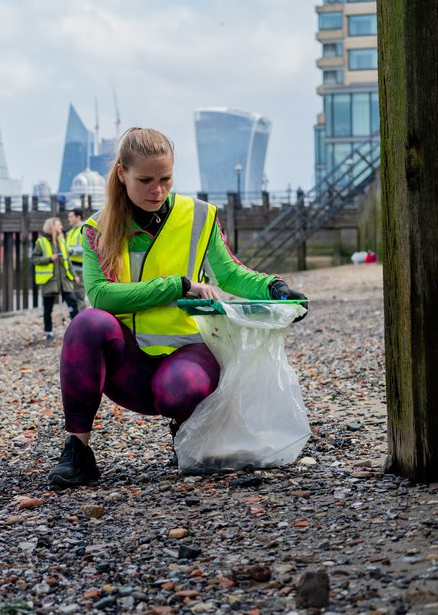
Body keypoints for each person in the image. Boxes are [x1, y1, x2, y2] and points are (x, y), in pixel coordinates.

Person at [47, 127, 308, 488]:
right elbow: (101, 295)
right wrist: (177, 286)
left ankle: (186, 430)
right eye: (145, 180)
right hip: (131, 368)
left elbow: (231, 274)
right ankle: (78, 451)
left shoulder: (198, 216)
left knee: (178, 390)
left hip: (189, 355)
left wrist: (275, 287)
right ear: (122, 174)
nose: (157, 190)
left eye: (166, 179)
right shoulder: (96, 228)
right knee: (86, 325)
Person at [32, 217, 77, 342]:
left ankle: (78, 331)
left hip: (64, 279)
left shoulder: (62, 241)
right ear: (51, 227)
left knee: (72, 303)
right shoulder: (41, 242)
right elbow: (34, 259)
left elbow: (68, 260)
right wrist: (49, 258)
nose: (61, 227)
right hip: (49, 280)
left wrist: (74, 275)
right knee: (48, 308)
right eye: (59, 225)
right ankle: (49, 332)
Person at [64, 208, 89, 312]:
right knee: (72, 295)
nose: (68, 219)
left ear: (78, 217)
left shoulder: (83, 229)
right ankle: (76, 318)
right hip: (71, 268)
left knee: (79, 295)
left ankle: (81, 320)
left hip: (79, 267)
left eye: (71, 216)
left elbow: (87, 247)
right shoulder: (71, 232)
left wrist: (70, 251)